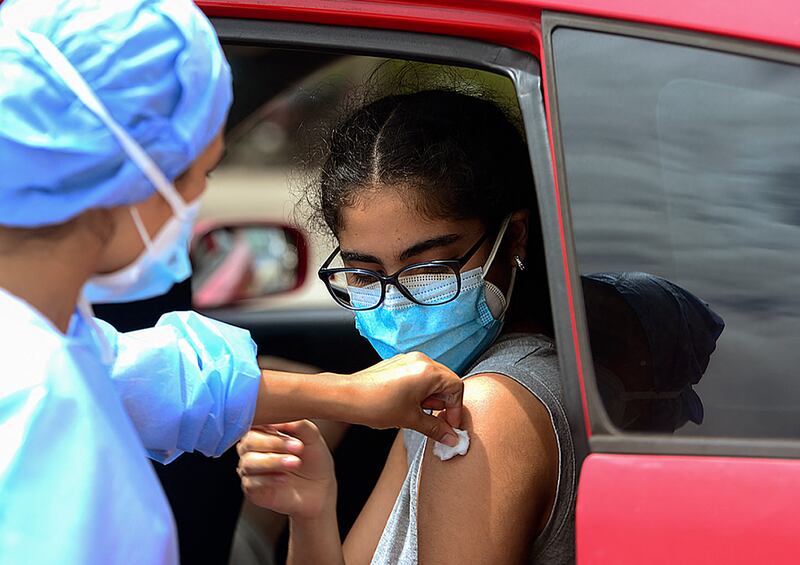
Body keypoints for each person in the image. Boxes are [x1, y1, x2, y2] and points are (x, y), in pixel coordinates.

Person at [0, 2, 465, 563]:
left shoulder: (42, 347)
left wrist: (349, 396)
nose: (197, 201)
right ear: (134, 179)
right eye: (204, 172)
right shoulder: (38, 409)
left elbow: (153, 377)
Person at [237, 90, 576, 563]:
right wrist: (310, 510)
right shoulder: (433, 400)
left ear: (514, 236)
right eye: (364, 274)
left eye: (428, 269)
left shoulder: (480, 410)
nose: (395, 303)